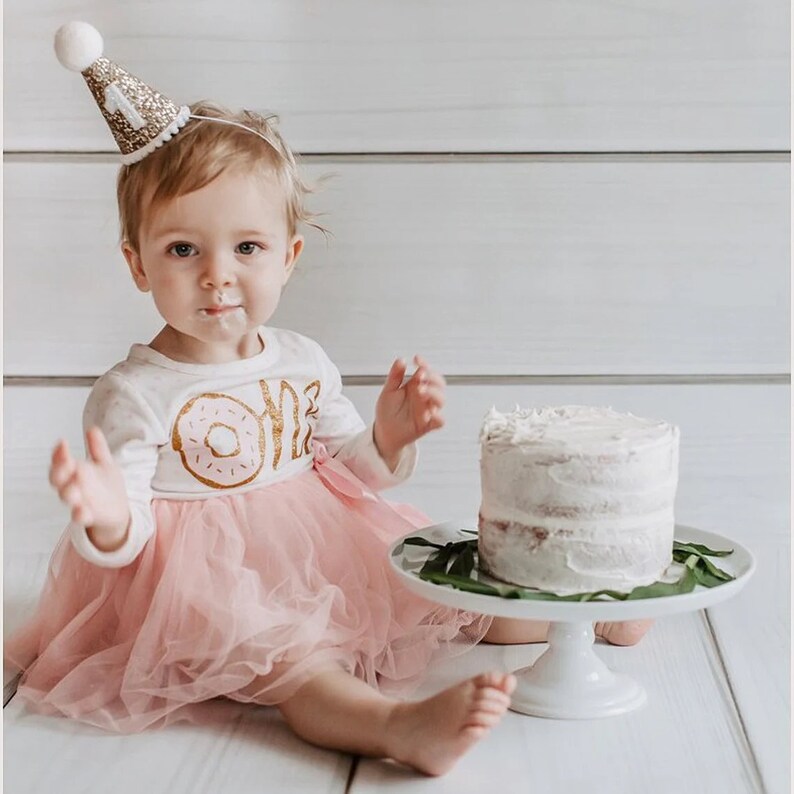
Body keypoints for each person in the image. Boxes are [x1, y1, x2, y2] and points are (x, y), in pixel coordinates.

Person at [5, 22, 650, 777]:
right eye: (184, 249)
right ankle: (391, 727)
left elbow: (352, 468)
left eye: (246, 248)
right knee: (289, 657)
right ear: (137, 264)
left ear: (289, 256)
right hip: (199, 581)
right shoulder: (135, 393)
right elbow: (133, 531)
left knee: (430, 596)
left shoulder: (302, 359)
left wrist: (388, 437)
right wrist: (108, 513)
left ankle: (579, 621)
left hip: (319, 545)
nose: (218, 275)